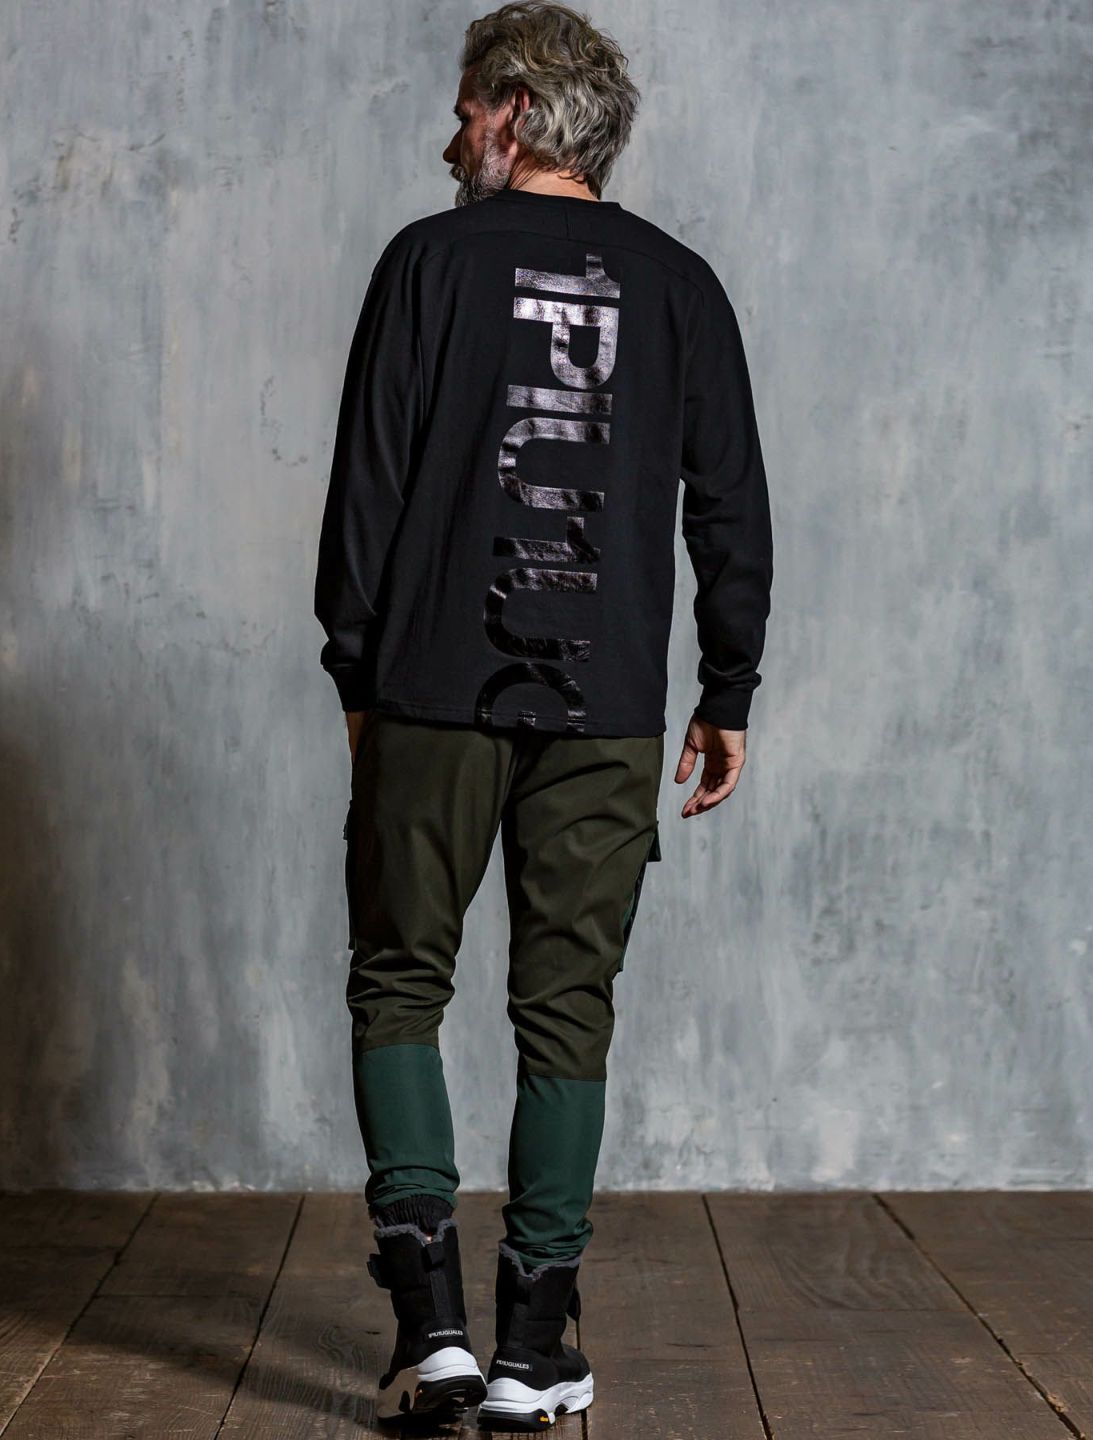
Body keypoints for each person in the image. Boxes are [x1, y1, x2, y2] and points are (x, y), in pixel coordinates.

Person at [314, 2, 773, 1428]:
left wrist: (356, 673)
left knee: (400, 981)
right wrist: (727, 688)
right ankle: (531, 1349)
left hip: (431, 691)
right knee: (568, 1008)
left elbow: (367, 486)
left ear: (516, 108)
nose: (449, 136)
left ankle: (434, 1336)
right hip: (605, 704)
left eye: (466, 109)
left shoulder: (428, 262)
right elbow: (731, 504)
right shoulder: (680, 284)